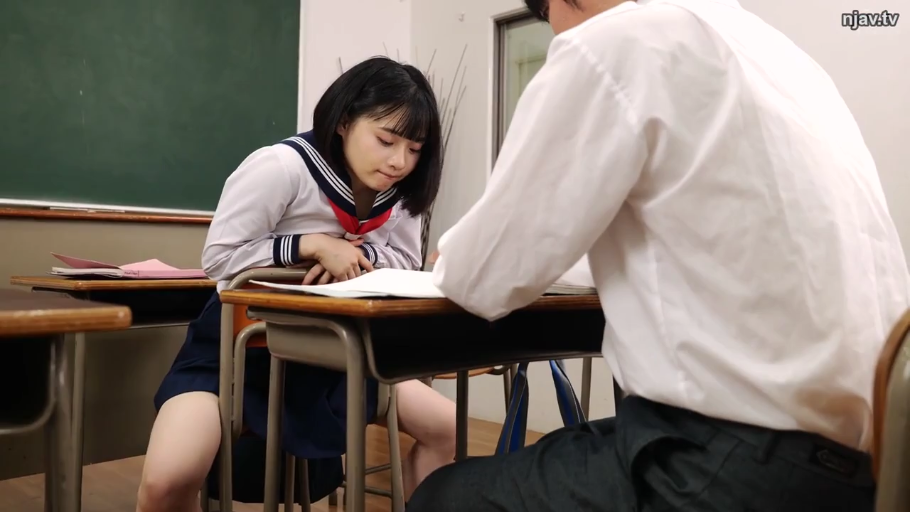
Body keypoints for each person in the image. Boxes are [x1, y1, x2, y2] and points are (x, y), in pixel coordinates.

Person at [408, 0, 910, 511]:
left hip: (738, 467)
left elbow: (483, 275)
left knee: (442, 498)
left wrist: (450, 254)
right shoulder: (789, 62)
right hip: (872, 471)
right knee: (568, 445)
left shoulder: (614, 42)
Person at [137, 56, 457, 512]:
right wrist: (311, 245)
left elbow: (405, 261)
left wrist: (358, 257)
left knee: (449, 428)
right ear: (344, 122)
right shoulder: (281, 167)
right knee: (167, 480)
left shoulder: (401, 193)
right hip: (240, 355)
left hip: (338, 357)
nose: (399, 161)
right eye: (386, 140)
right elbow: (219, 258)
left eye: (415, 148)